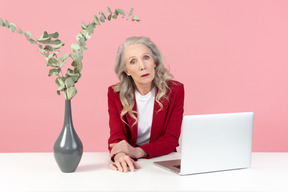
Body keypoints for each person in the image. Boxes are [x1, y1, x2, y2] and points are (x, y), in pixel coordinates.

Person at [108, 36, 184, 172]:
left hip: (161, 160)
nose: (142, 66)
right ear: (126, 71)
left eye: (146, 58)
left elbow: (171, 139)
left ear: (154, 62)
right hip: (133, 163)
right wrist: (120, 155)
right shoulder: (115, 94)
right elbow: (116, 136)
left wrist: (137, 152)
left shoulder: (175, 90)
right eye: (133, 62)